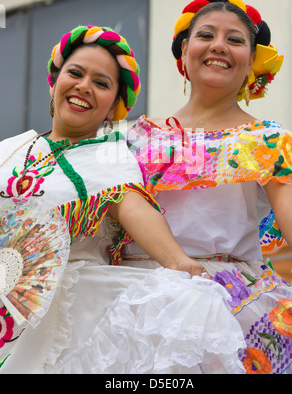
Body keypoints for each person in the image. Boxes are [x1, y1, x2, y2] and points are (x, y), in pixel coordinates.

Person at [0, 24, 218, 374]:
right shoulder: (9, 151)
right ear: (54, 81)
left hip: (69, 318)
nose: (84, 86)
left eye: (101, 83)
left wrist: (177, 261)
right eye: (75, 73)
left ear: (114, 105)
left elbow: (135, 208)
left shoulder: (112, 159)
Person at [123, 0, 292, 374]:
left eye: (235, 40)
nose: (219, 45)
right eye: (206, 35)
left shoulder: (270, 141)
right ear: (185, 50)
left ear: (252, 61)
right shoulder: (133, 138)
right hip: (132, 296)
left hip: (226, 304)